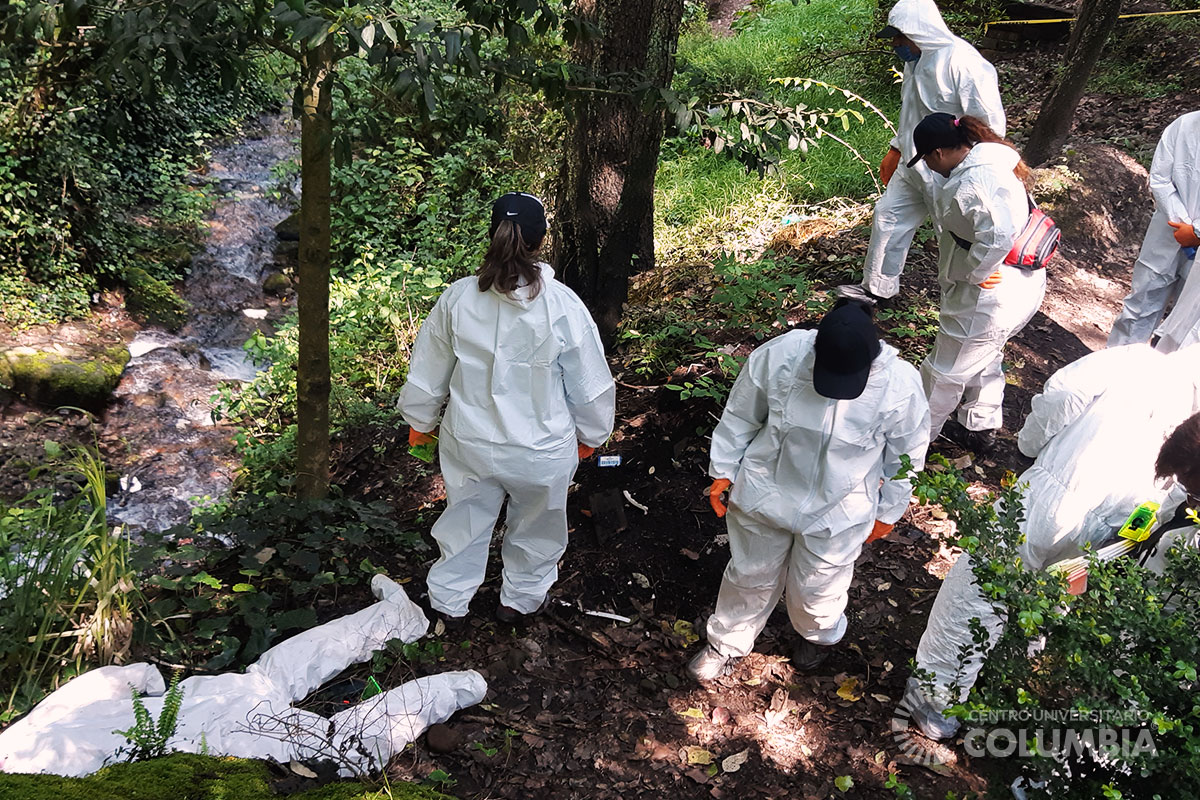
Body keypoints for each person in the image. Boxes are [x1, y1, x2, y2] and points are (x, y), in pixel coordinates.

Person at [903, 343, 1200, 740]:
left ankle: (935, 699)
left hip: (1053, 497)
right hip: (1117, 527)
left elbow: (1063, 393)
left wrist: (1030, 447)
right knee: (1050, 598)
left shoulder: (1138, 362)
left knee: (979, 591)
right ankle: (1006, 679)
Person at [396, 192, 616, 624]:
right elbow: (589, 385)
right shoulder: (562, 305)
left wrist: (420, 421)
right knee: (538, 526)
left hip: (471, 443)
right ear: (541, 240)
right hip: (542, 449)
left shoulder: (458, 299)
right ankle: (520, 602)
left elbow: (429, 369)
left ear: (491, 233)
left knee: (464, 520)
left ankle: (448, 603)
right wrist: (592, 436)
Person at [687, 301, 931, 682]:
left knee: (820, 585)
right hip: (767, 487)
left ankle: (816, 635)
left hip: (841, 506)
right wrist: (722, 470)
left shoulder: (900, 385)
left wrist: (888, 512)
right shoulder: (781, 355)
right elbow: (740, 414)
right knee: (749, 572)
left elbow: (907, 456)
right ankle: (726, 642)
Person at [908, 112, 1047, 449]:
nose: (928, 165)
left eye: (926, 158)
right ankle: (979, 425)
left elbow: (998, 235)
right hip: (1023, 283)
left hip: (993, 293)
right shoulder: (991, 158)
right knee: (984, 351)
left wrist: (977, 272)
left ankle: (908, 450)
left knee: (944, 372)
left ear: (938, 152)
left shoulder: (972, 182)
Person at [855, 0, 1006, 301]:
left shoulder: (964, 64)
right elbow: (911, 112)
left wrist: (972, 170)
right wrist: (896, 149)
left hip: (949, 168)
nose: (897, 44)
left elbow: (989, 126)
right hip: (913, 162)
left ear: (920, 31)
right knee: (887, 217)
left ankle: (964, 294)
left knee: (952, 234)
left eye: (900, 36)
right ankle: (876, 290)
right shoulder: (914, 63)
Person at [1108, 110, 1200, 351]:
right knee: (1140, 303)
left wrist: (1196, 232)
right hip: (1168, 231)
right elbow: (1160, 177)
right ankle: (1115, 370)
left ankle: (1164, 384)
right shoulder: (1185, 125)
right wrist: (1181, 221)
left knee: (1187, 322)